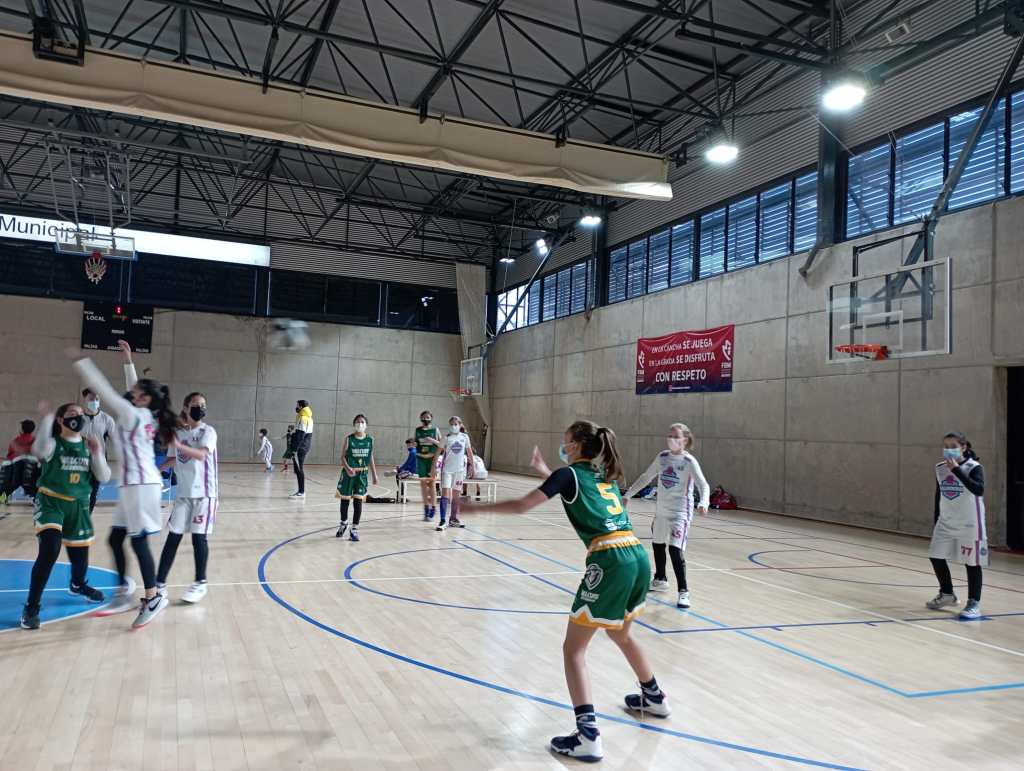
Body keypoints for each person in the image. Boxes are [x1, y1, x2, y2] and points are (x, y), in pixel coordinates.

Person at [460, 421, 670, 762]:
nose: (562, 444)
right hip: (636, 555)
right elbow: (574, 488)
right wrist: (546, 471)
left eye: (565, 440)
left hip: (610, 560)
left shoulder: (567, 475)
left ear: (574, 445)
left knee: (573, 651)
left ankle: (588, 736)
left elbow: (523, 505)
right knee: (621, 634)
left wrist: (474, 509)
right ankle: (655, 697)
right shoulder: (602, 474)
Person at [72, 340, 178, 628]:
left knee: (138, 540)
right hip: (133, 484)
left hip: (141, 485)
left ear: (144, 399)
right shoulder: (142, 412)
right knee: (115, 539)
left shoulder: (132, 413)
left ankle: (153, 597)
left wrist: (82, 361)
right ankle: (122, 595)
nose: (131, 392)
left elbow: (105, 390)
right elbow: (134, 387)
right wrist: (128, 359)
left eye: (137, 392)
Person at [20, 402, 111, 629]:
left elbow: (104, 476)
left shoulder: (88, 445)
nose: (78, 417)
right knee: (50, 549)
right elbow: (38, 449)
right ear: (61, 420)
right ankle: (31, 606)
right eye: (72, 414)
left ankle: (78, 585)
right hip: (51, 502)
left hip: (79, 505)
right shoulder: (53, 443)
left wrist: (98, 453)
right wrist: (47, 419)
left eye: (80, 414)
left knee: (80, 555)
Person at [623, 423, 709, 609]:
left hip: (680, 513)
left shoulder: (689, 461)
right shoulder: (662, 457)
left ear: (685, 440)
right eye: (670, 435)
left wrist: (704, 502)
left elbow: (703, 485)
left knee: (675, 550)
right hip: (661, 511)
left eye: (676, 436)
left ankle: (684, 592)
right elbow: (646, 477)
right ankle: (660, 579)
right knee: (658, 544)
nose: (671, 439)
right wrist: (628, 494)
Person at [155, 392, 217, 604]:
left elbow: (201, 455)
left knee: (199, 538)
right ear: (186, 408)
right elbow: (174, 459)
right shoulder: (179, 433)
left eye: (203, 405)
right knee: (173, 537)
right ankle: (159, 584)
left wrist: (179, 444)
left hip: (205, 495)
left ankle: (201, 582)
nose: (200, 408)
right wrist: (156, 470)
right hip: (183, 494)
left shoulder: (208, 431)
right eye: (196, 405)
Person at [927, 432, 987, 620]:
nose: (948, 450)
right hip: (946, 522)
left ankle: (974, 603)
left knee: (972, 562)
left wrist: (956, 470)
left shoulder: (974, 467)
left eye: (953, 446)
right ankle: (947, 594)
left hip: (970, 523)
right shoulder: (940, 468)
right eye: (946, 446)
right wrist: (936, 519)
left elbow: (978, 489)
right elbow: (939, 495)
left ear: (963, 447)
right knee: (936, 556)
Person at [335, 414, 378, 542]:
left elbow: (370, 457)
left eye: (362, 422)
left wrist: (374, 474)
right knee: (345, 501)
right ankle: (343, 523)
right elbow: (342, 457)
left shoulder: (370, 440)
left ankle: (354, 529)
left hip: (362, 474)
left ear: (366, 425)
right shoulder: (349, 439)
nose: (360, 424)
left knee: (358, 502)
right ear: (354, 424)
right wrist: (348, 468)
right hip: (349, 473)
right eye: (358, 422)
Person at [434, 415, 474, 531]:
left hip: (459, 471)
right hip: (447, 470)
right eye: (451, 424)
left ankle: (453, 519)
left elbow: (469, 452)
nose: (453, 426)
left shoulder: (465, 437)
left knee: (456, 496)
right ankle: (442, 521)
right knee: (445, 495)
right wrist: (433, 467)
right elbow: (437, 453)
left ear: (460, 425)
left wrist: (473, 467)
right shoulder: (446, 438)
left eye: (455, 424)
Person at [80, 387, 116, 513]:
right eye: (91, 399)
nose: (94, 401)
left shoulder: (107, 419)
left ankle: (87, 517)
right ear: (84, 399)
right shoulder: (78, 418)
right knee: (78, 489)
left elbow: (116, 440)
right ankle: (75, 516)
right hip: (80, 459)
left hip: (99, 460)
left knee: (93, 491)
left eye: (96, 399)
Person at [0, 419, 38, 503]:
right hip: (32, 465)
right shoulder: (35, 441)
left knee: (12, 484)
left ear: (22, 429)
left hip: (17, 464)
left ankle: (2, 497)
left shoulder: (15, 441)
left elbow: (10, 457)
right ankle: (36, 498)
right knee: (30, 484)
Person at [415, 410, 441, 521]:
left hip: (431, 459)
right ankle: (426, 508)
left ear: (431, 418)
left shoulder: (435, 430)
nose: (425, 419)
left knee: (431, 484)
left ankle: (433, 508)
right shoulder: (418, 430)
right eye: (424, 417)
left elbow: (441, 445)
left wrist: (432, 440)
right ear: (421, 418)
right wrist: (414, 444)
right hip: (421, 458)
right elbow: (417, 444)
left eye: (427, 417)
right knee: (423, 485)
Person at [286, 401, 313, 498]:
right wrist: (293, 434)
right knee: (297, 469)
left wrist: (294, 449)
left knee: (299, 469)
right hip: (304, 446)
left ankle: (301, 492)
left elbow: (301, 435)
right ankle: (301, 491)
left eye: (297, 406)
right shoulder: (309, 418)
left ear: (301, 407)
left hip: (300, 448)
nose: (296, 407)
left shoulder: (303, 418)